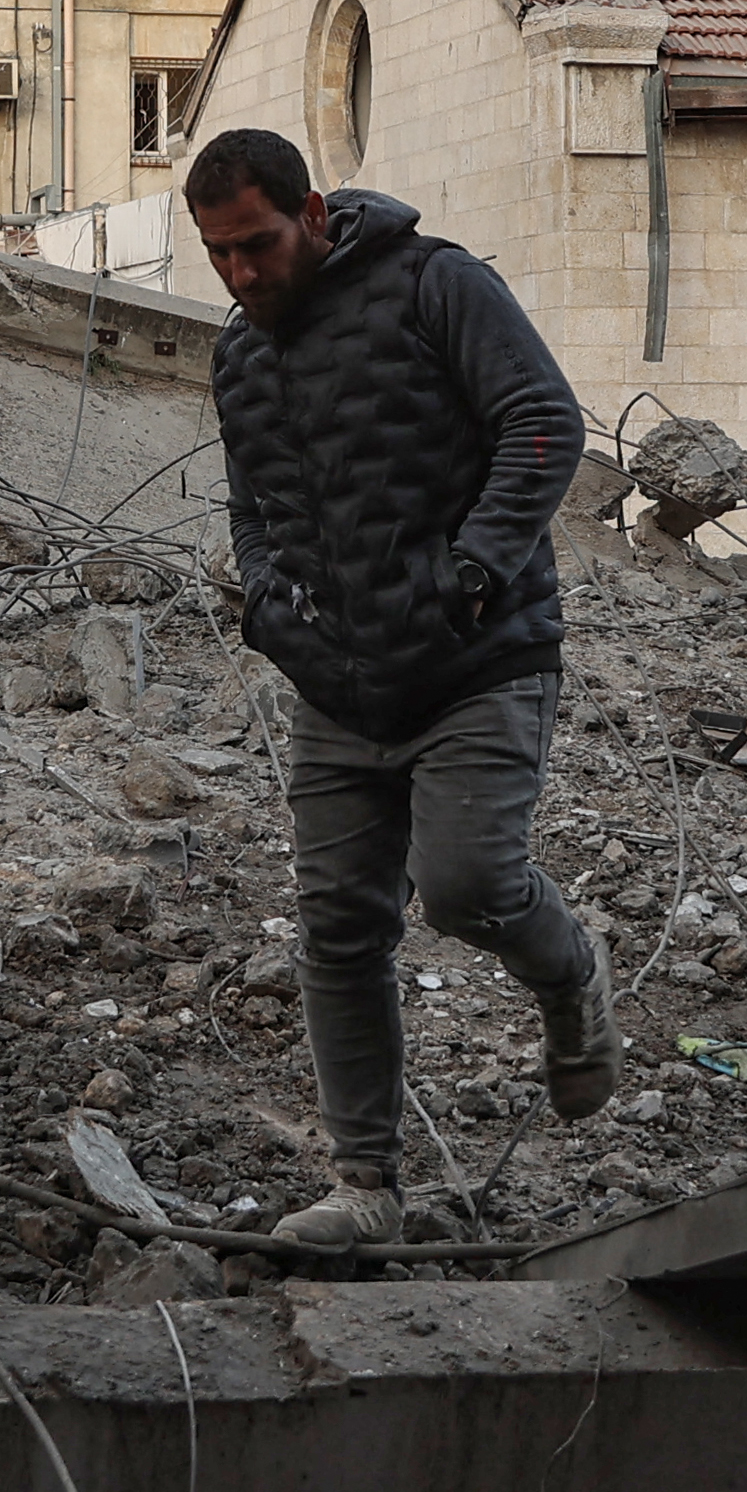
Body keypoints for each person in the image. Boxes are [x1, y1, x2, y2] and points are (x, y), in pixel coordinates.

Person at [185, 126, 613, 1252]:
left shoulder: (438, 284)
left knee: (466, 886)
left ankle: (569, 977)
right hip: (337, 685)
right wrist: (268, 604)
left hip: (478, 659)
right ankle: (364, 1184)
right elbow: (251, 506)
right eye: (217, 253)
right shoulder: (237, 356)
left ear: (313, 215)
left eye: (258, 244)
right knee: (337, 929)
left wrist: (473, 571)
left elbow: (542, 421)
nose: (241, 272)